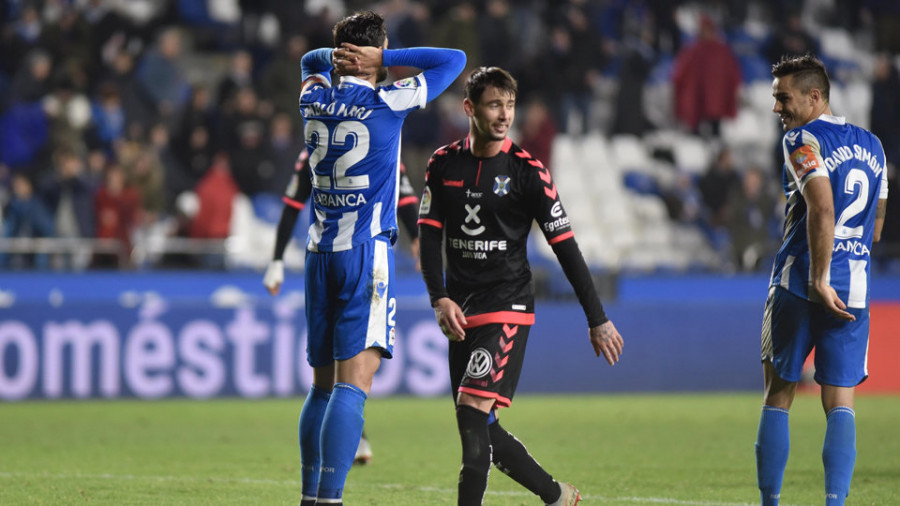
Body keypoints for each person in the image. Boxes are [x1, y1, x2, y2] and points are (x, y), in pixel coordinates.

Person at [262, 11, 465, 506]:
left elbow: (311, 59)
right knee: (356, 384)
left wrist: (339, 57)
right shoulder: (387, 99)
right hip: (365, 254)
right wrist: (388, 60)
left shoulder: (312, 95)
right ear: (375, 53)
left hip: (318, 253)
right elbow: (453, 60)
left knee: (322, 385)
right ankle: (330, 498)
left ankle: (311, 495)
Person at [417, 66, 624, 506]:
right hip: (461, 309)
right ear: (469, 108)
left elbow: (567, 248)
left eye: (510, 105)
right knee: (482, 426)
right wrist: (440, 298)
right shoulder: (442, 163)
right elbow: (430, 234)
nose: (504, 114)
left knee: (472, 421)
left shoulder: (529, 172)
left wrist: (597, 318)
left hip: (507, 303)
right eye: (494, 104)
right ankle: (557, 496)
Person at [755, 54, 889, 506]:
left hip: (800, 284)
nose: (777, 108)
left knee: (779, 395)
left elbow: (823, 206)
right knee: (841, 403)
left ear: (814, 97)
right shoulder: (874, 145)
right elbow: (876, 224)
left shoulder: (801, 139)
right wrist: (848, 266)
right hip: (855, 290)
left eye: (783, 97)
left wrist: (819, 278)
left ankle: (770, 502)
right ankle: (835, 502)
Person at [263, 150, 423, 466]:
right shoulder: (378, 141)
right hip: (362, 262)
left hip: (329, 260)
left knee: (337, 373)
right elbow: (293, 204)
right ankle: (350, 443)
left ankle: (328, 470)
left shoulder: (321, 145)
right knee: (350, 368)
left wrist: (418, 240)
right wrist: (277, 258)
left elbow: (403, 198)